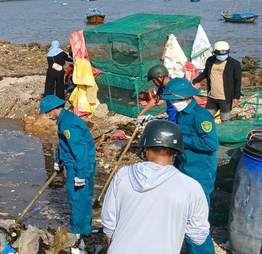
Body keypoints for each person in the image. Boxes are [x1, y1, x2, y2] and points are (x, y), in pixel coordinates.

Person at [101, 120, 210, 254]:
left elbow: (109, 223)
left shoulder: (123, 175)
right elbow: (198, 236)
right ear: (176, 152)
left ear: (146, 148)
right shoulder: (191, 187)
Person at [160, 78, 218, 254]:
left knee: (196, 222)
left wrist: (184, 140)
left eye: (174, 99)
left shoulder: (201, 116)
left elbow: (211, 144)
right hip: (184, 169)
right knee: (183, 216)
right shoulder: (181, 114)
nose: (172, 103)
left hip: (200, 173)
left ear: (185, 97)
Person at [39, 95, 96, 235]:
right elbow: (65, 145)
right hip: (81, 163)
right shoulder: (66, 119)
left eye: (47, 113)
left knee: (77, 199)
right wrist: (58, 160)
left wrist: (80, 174)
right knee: (84, 198)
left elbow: (79, 150)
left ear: (52, 110)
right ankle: (85, 229)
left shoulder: (68, 125)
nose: (47, 116)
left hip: (79, 166)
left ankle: (78, 233)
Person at [192, 41, 241, 123]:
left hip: (226, 98)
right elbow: (205, 73)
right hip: (212, 97)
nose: (221, 56)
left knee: (225, 120)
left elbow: (237, 81)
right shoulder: (210, 61)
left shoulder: (234, 64)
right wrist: (194, 81)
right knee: (206, 118)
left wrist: (236, 97)